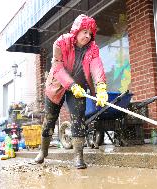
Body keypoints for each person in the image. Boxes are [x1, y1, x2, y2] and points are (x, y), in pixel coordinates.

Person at [34, 14, 108, 169]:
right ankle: (43, 151)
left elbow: (97, 67)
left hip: (79, 88)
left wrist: (101, 87)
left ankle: (78, 157)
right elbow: (58, 68)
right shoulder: (61, 42)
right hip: (57, 86)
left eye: (90, 33)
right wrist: (71, 85)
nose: (88, 36)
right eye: (84, 32)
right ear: (77, 30)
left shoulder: (93, 48)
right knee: (50, 119)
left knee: (78, 119)